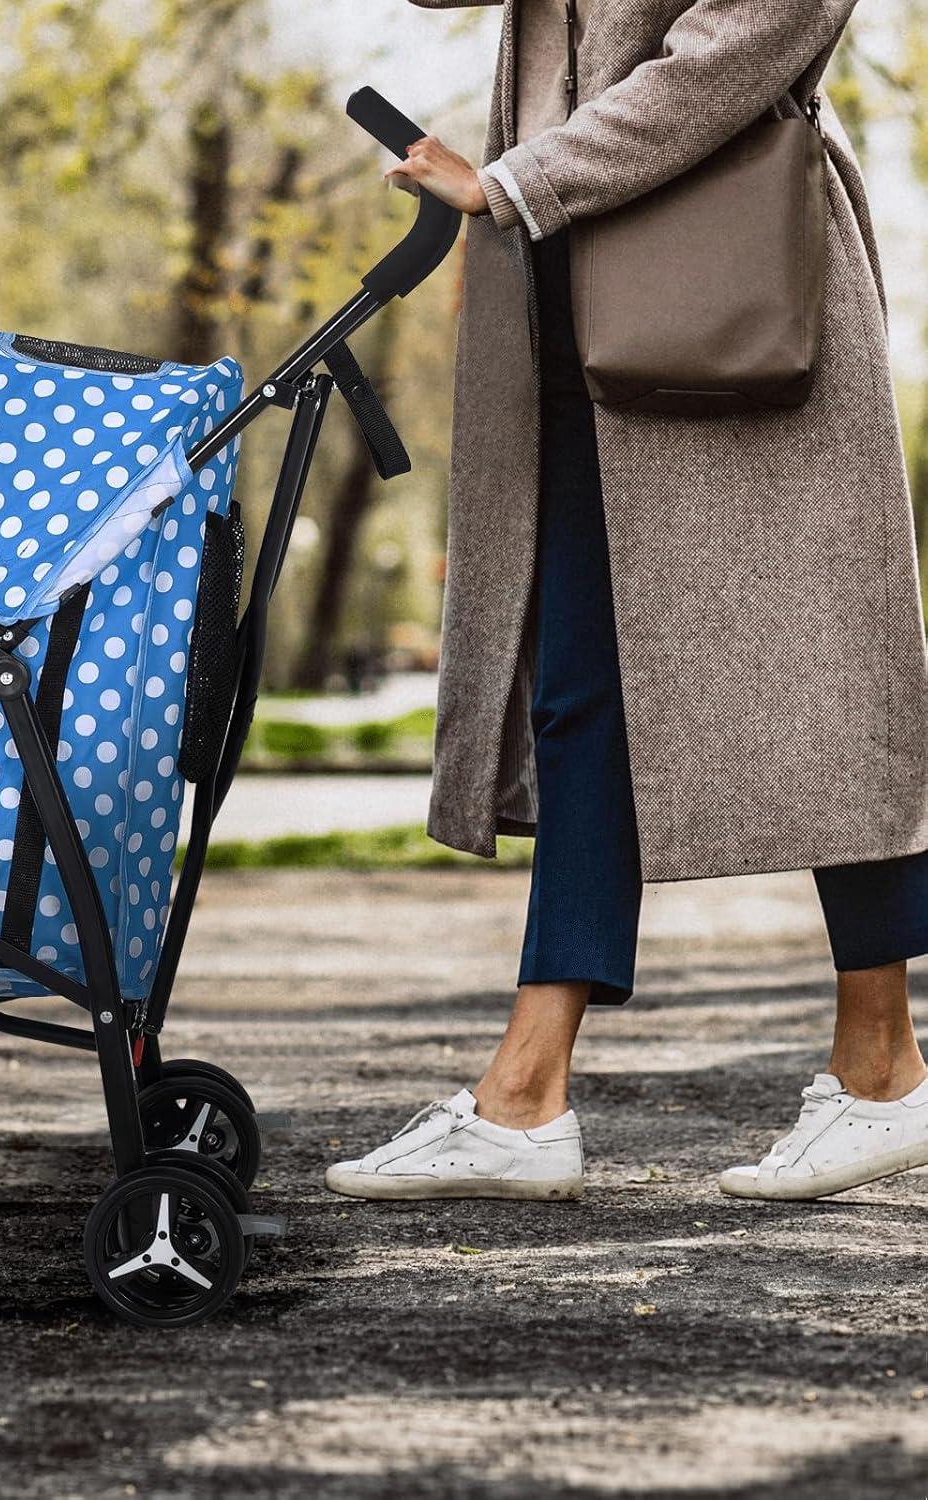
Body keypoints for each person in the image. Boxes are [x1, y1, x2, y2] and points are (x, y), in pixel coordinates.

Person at [328, 0, 928, 1204]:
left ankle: (883, 1067)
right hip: (567, 287)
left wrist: (515, 183)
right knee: (579, 685)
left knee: (829, 674)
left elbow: (743, 45)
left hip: (731, 288)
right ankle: (525, 1095)